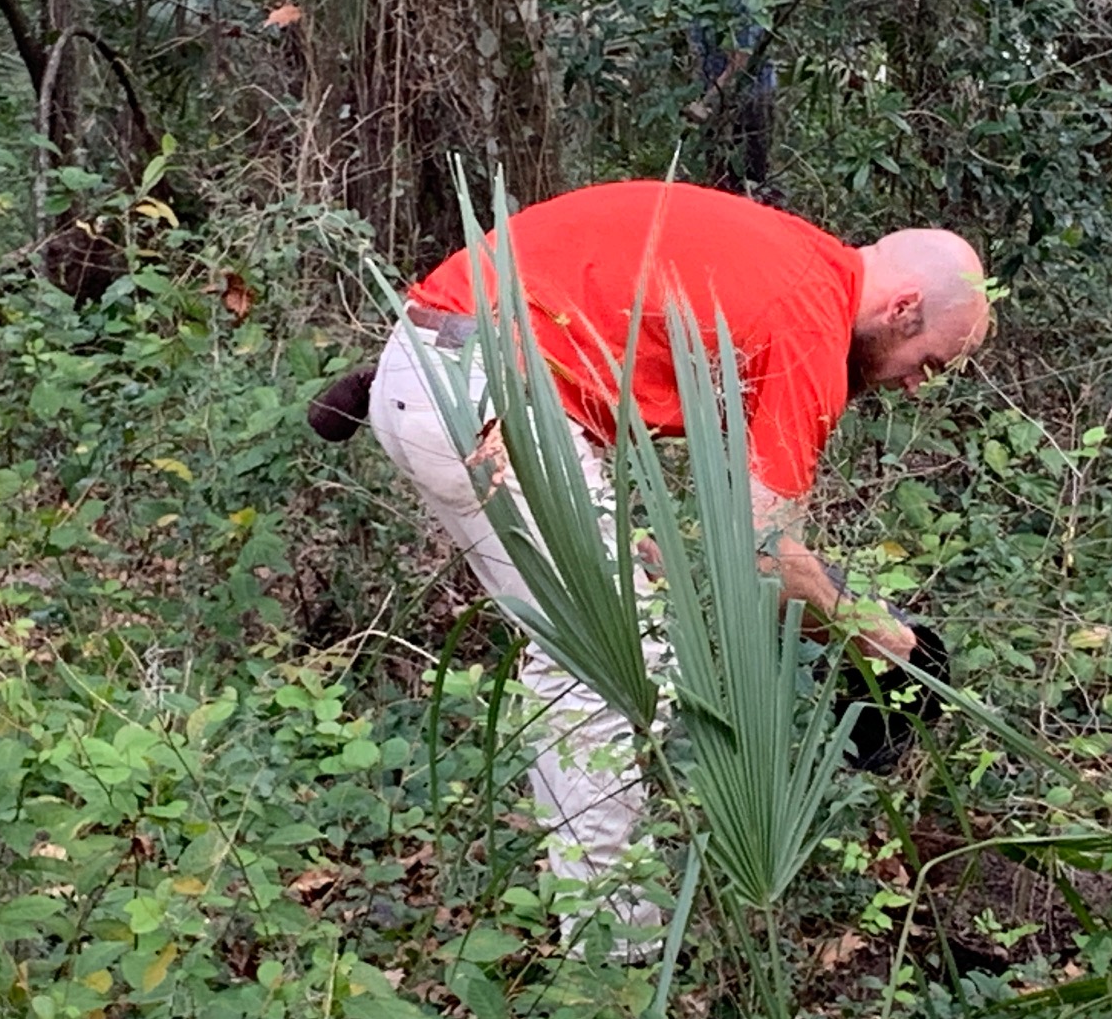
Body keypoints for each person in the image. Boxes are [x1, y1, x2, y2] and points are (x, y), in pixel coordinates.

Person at [367, 179, 989, 944]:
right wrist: (879, 636)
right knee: (609, 662)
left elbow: (736, 532)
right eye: (930, 363)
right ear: (903, 310)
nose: (918, 388)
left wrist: (660, 550)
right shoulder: (812, 322)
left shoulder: (797, 263)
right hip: (482, 397)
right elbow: (765, 556)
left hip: (440, 370)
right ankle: (612, 947)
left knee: (603, 630)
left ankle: (593, 912)